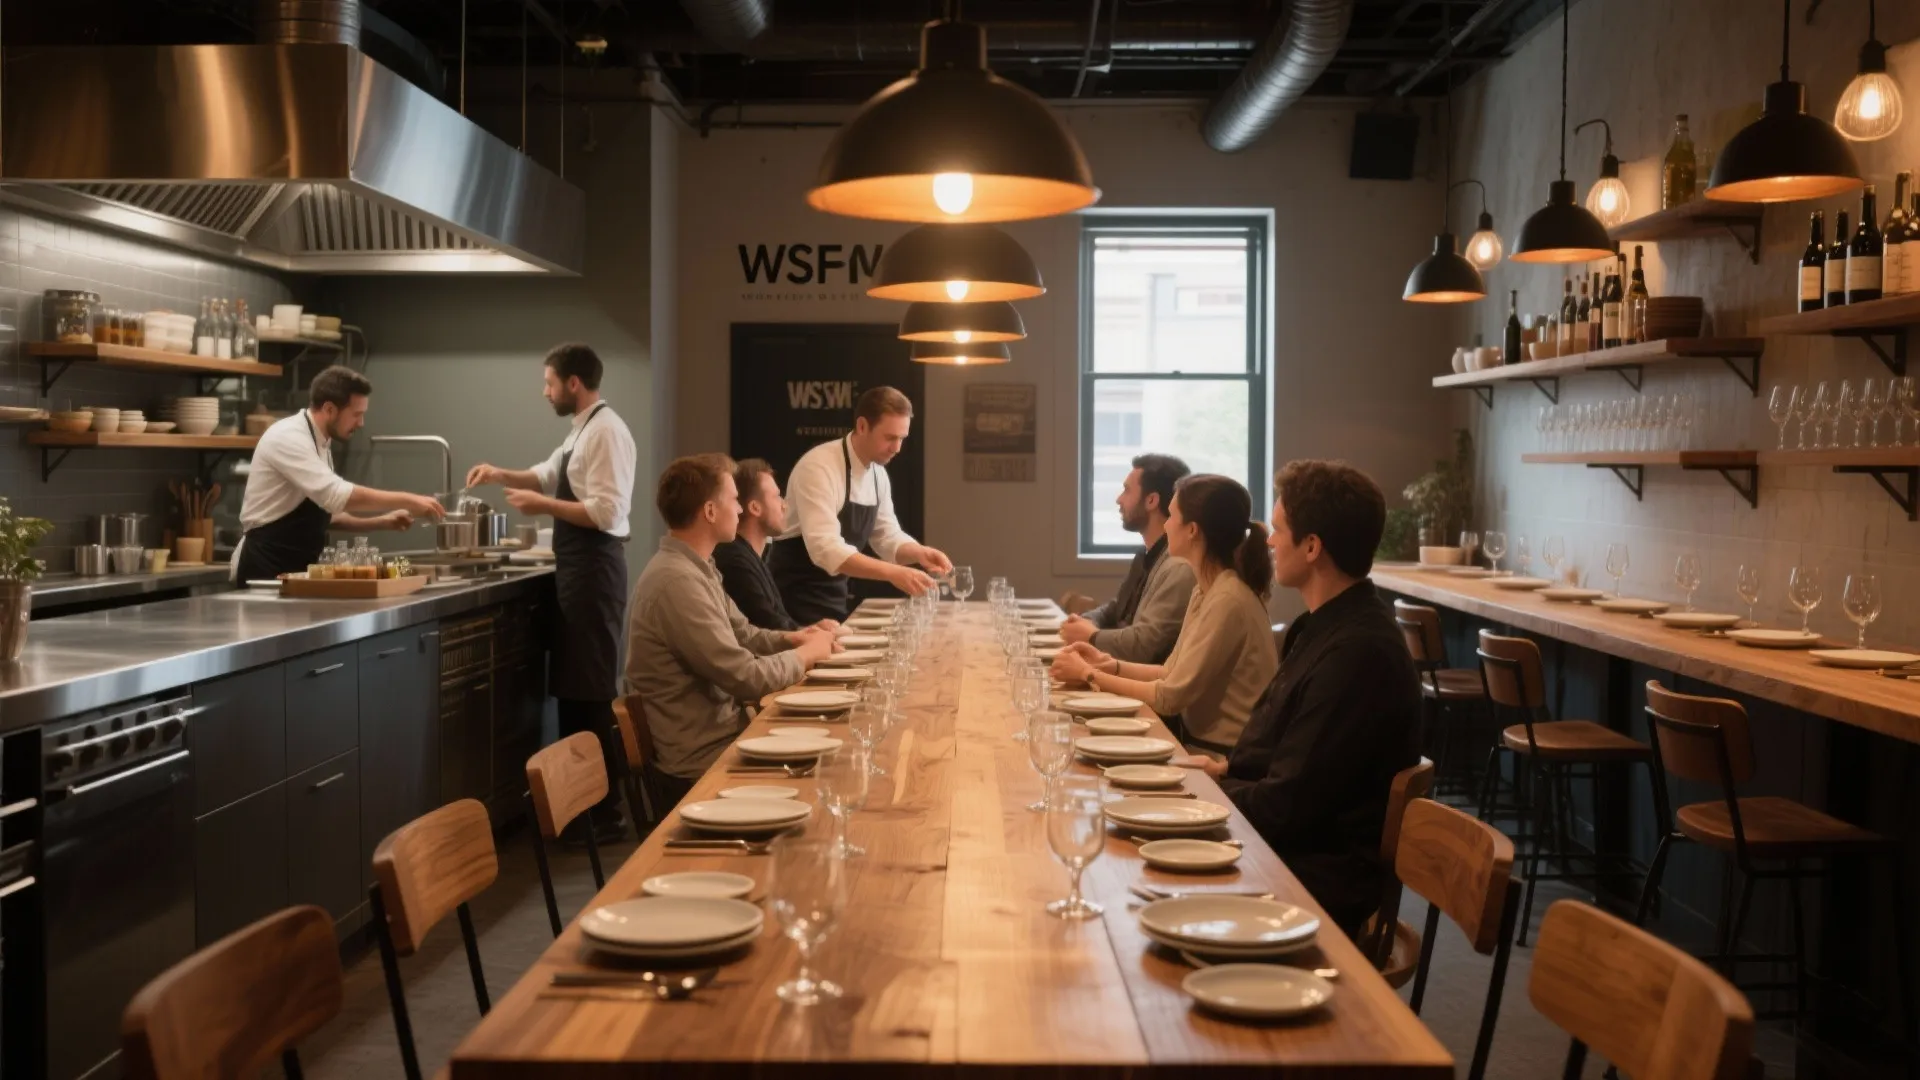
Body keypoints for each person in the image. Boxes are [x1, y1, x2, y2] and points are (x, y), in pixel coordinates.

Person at [1200, 460, 1421, 938]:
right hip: (1285, 849)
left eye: (1279, 529)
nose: (1269, 540)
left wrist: (1206, 796)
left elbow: (1285, 809)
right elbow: (1286, 762)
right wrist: (1221, 773)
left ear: (1313, 546)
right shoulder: (1325, 627)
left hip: (1310, 879)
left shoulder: (1358, 654)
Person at [465, 343, 637, 839]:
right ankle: (579, 808)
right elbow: (547, 474)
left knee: (593, 695)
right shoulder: (581, 431)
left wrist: (542, 506)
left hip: (596, 572)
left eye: (549, 383)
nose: (545, 392)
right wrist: (500, 474)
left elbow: (606, 512)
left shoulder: (607, 432)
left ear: (574, 383)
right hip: (578, 571)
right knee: (576, 692)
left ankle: (605, 815)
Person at [627, 454, 837, 806]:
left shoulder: (698, 567)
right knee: (827, 776)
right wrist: (804, 655)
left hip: (726, 740)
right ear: (710, 512)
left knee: (829, 754)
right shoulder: (677, 581)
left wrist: (795, 638)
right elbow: (744, 676)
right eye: (734, 501)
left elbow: (746, 633)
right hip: (700, 767)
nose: (740, 510)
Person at [1051, 474, 1278, 754]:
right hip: (1199, 746)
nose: (1166, 525)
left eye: (1171, 516)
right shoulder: (1207, 589)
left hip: (1223, 758)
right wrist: (1109, 665)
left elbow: (1169, 697)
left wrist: (1089, 675)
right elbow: (1170, 672)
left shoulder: (1228, 600)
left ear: (1192, 530)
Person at [234, 365, 443, 583]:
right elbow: (336, 495)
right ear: (329, 409)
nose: (361, 423)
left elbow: (324, 515)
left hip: (295, 571)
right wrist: (409, 500)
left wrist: (382, 522)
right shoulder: (288, 438)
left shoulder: (321, 440)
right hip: (264, 569)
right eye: (356, 414)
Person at [770, 386, 954, 624]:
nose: (897, 448)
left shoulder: (878, 474)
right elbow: (825, 549)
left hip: (835, 597)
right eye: (890, 438)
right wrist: (893, 573)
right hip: (793, 601)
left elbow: (887, 536)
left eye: (902, 439)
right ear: (862, 426)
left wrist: (919, 553)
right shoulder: (818, 467)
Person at [1057, 453, 1194, 663]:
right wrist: (1085, 622)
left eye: (1127, 490)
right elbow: (1116, 608)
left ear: (1151, 500)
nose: (1118, 499)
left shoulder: (1179, 567)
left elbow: (1146, 645)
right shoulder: (1146, 555)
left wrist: (1091, 636)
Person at [712, 458, 838, 634]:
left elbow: (776, 624)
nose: (784, 505)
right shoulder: (734, 560)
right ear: (755, 507)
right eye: (777, 496)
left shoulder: (750, 555)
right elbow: (767, 627)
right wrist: (809, 634)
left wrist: (810, 630)